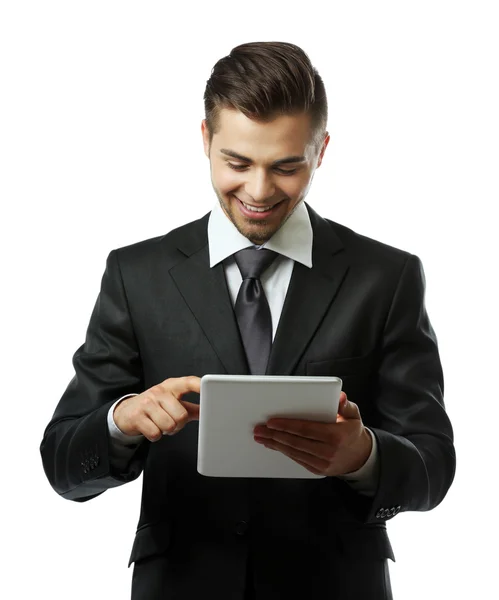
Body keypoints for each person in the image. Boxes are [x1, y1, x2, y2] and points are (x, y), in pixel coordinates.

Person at [39, 41, 456, 600]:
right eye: (237, 163)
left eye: (287, 166)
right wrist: (120, 420)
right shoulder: (135, 274)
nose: (258, 192)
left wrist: (363, 456)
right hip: (182, 584)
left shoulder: (387, 277)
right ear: (206, 140)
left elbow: (432, 464)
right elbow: (64, 463)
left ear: (322, 150)